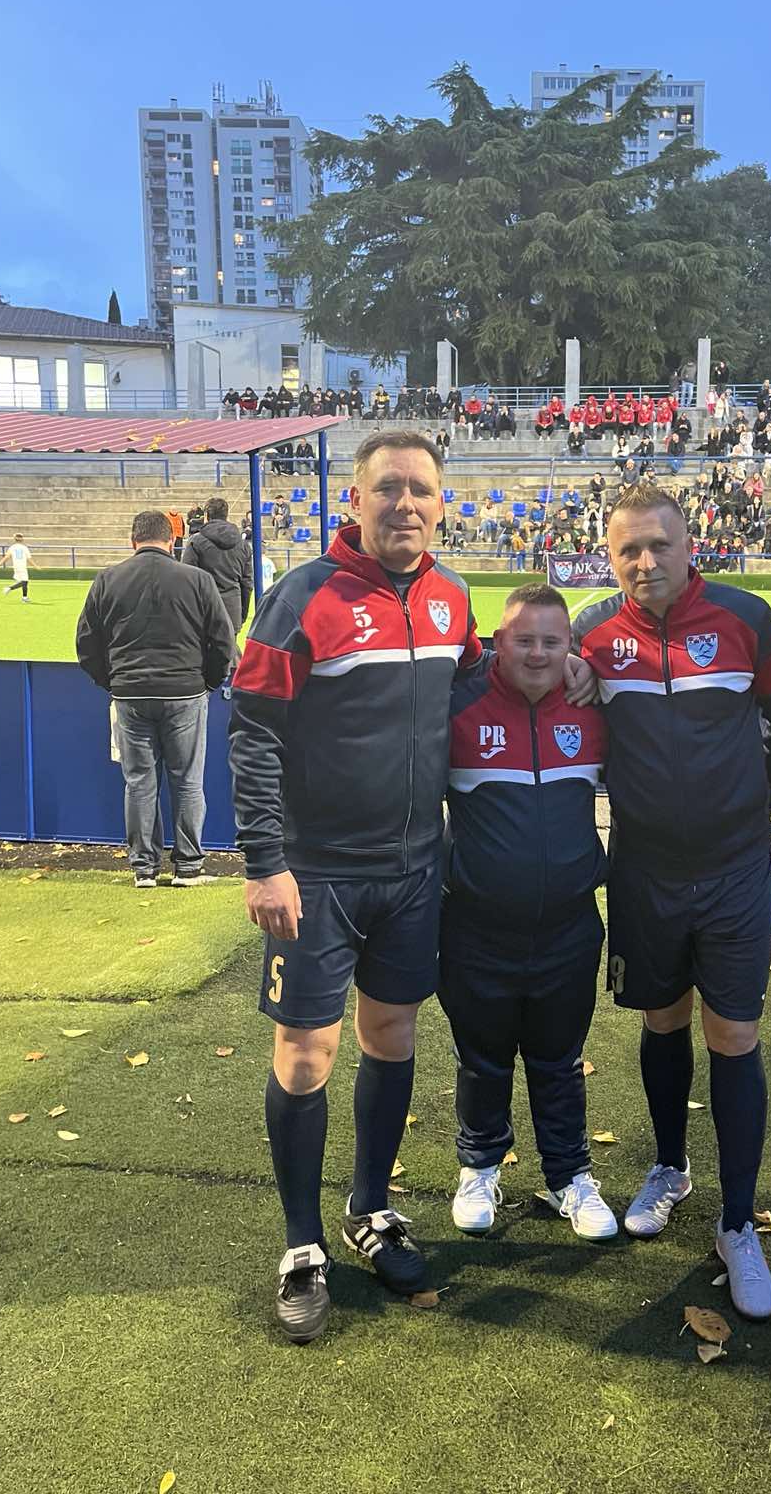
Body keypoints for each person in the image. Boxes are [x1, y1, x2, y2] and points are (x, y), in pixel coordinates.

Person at [228, 429, 594, 1344]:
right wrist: (265, 861)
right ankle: (302, 1244)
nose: (404, 504)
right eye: (387, 487)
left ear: (441, 503)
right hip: (318, 871)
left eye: (420, 489)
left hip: (414, 867)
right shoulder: (302, 596)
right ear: (354, 499)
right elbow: (253, 731)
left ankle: (370, 1208)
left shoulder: (451, 597)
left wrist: (570, 665)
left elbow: (480, 676)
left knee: (390, 1036)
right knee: (305, 1055)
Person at [574, 484, 771, 1321]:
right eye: (628, 550)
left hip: (735, 867)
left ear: (689, 545)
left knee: (734, 1033)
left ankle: (737, 1223)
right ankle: (670, 1169)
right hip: (643, 870)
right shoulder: (592, 634)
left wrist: (762, 800)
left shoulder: (748, 619)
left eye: (659, 545)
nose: (645, 562)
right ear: (611, 558)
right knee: (662, 1018)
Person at [440, 584, 616, 1241]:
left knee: (559, 1060)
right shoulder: (458, 705)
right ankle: (479, 1167)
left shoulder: (594, 707)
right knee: (481, 1059)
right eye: (524, 640)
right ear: (498, 643)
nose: (538, 653)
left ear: (570, 646)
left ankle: (570, 1176)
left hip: (569, 927)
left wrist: (591, 667)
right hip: (475, 927)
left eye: (552, 641)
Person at [75, 511, 236, 889]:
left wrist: (113, 682)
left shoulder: (108, 579)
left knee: (139, 783)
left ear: (133, 540)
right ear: (172, 540)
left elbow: (86, 643)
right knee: (187, 781)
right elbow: (222, 640)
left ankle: (144, 869)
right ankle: (188, 867)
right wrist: (209, 682)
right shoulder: (197, 579)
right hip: (185, 692)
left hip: (131, 693)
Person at [181, 497, 253, 633]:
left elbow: (187, 580)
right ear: (226, 515)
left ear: (206, 516)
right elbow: (247, 584)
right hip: (231, 610)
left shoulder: (196, 542)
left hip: (203, 612)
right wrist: (242, 614)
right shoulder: (243, 545)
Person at [1, 533, 34, 601]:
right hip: (22, 566)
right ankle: (9, 588)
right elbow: (29, 559)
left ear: (14, 539)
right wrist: (35, 566)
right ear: (22, 539)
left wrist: (1, 562)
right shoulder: (24, 548)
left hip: (16, 566)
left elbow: (7, 556)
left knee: (23, 582)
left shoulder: (12, 547)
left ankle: (24, 597)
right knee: (25, 581)